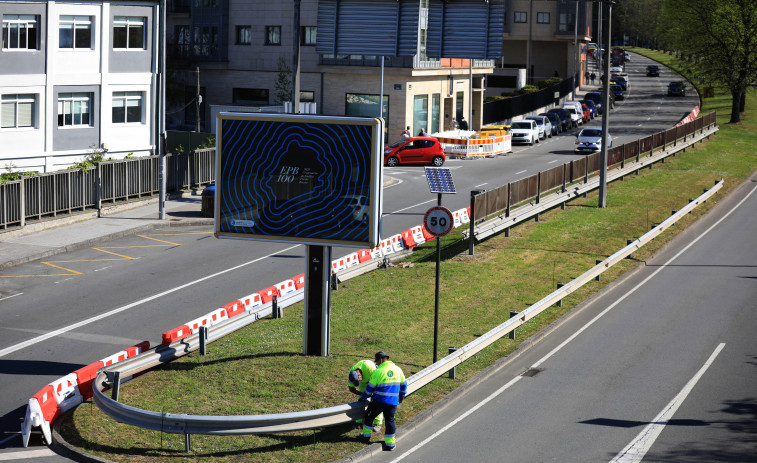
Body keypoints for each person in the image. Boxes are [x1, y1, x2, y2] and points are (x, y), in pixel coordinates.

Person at [359, 351, 407, 451]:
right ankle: (390, 444)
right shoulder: (398, 369)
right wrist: (402, 396)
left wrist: (363, 397)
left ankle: (366, 436)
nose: (376, 364)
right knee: (390, 421)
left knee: (369, 416)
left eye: (376, 362)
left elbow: (370, 388)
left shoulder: (378, 371)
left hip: (379, 401)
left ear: (381, 359)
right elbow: (404, 385)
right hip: (393, 402)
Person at [348, 359, 383, 432]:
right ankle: (359, 421)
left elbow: (378, 380)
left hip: (374, 379)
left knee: (377, 400)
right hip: (365, 381)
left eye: (359, 380)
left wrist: (373, 393)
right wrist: (363, 394)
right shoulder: (351, 373)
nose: (358, 382)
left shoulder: (370, 367)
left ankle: (377, 423)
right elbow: (351, 389)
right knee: (361, 400)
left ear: (359, 375)